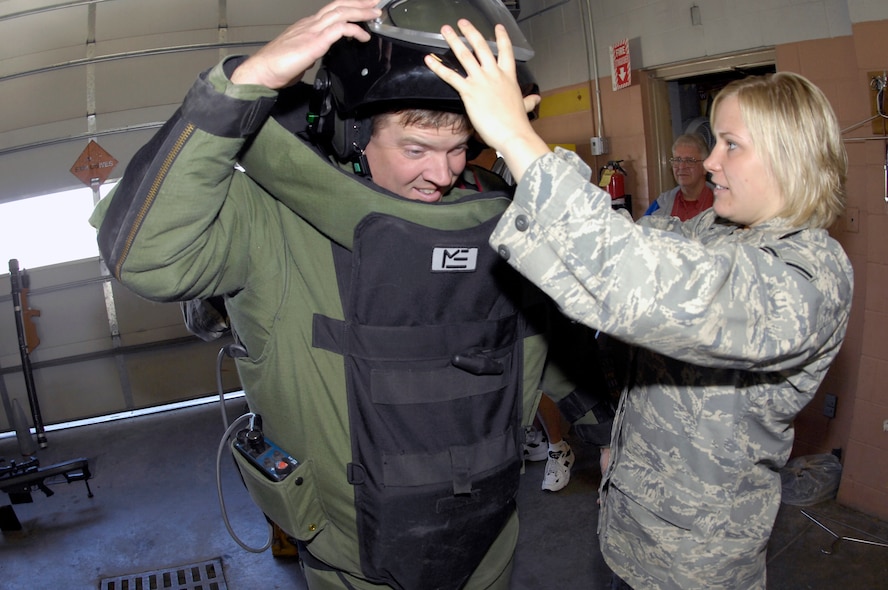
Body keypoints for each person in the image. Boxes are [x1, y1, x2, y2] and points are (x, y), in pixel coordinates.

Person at [89, 2, 612, 589]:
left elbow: (538, 337)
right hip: (351, 564)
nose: (442, 173)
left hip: (486, 547)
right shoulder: (273, 219)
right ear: (352, 134)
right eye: (415, 148)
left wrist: (606, 432)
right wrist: (244, 84)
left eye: (461, 147)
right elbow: (146, 256)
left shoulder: (496, 213)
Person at [427, 19, 853, 590]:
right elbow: (620, 255)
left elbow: (637, 281)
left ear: (788, 155)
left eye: (731, 145)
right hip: (632, 523)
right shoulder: (719, 230)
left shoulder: (805, 276)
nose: (710, 163)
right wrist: (620, 454)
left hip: (694, 562)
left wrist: (517, 140)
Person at [644, 133, 715, 221]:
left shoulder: (723, 205)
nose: (681, 167)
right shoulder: (660, 205)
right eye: (677, 160)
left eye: (689, 161)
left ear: (705, 167)